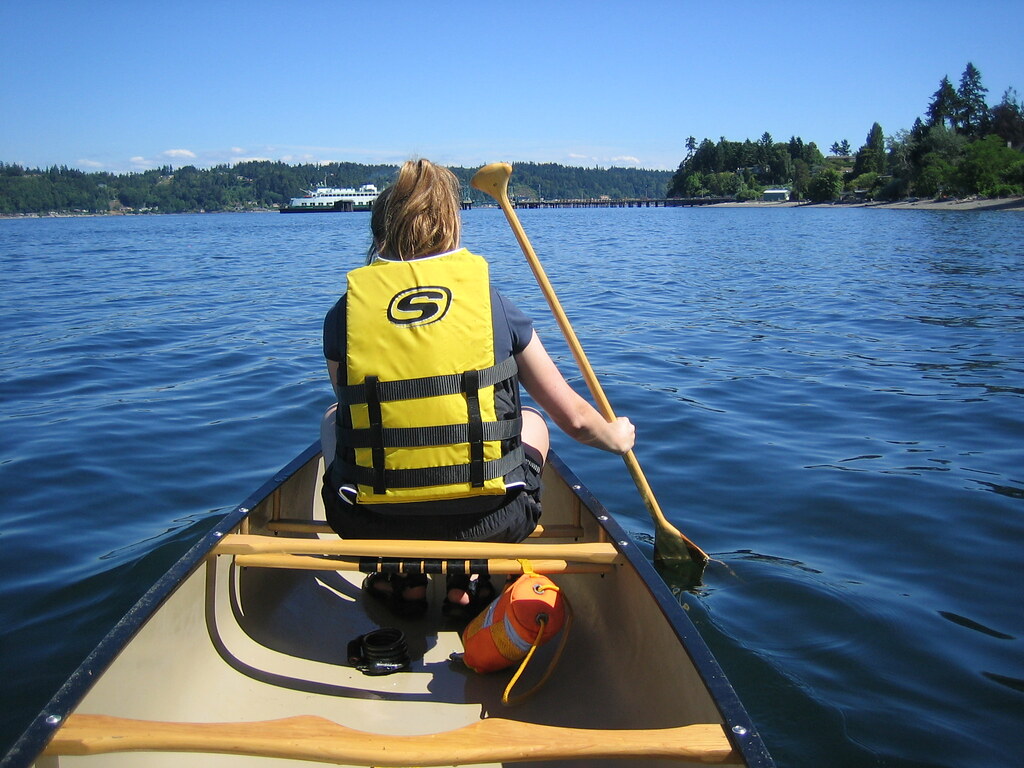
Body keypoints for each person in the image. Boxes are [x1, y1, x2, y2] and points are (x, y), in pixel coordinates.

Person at [320, 159, 634, 619]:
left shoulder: (343, 315)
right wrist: (616, 436)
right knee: (533, 419)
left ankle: (399, 575)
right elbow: (576, 420)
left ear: (379, 233)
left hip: (369, 523)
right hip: (493, 522)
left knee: (334, 419)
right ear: (451, 227)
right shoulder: (493, 306)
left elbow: (353, 409)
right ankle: (469, 578)